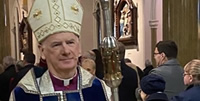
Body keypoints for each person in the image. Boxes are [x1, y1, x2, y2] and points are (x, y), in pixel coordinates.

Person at [9, 0, 111, 101]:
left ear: (79, 47)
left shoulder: (100, 89)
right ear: (42, 51)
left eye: (70, 43)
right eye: (56, 45)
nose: (66, 51)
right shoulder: (24, 94)